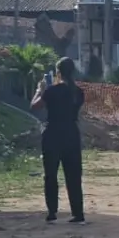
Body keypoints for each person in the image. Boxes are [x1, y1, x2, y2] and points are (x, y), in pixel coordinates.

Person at [31, 57, 86, 224]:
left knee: (51, 174)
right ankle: (78, 213)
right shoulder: (78, 92)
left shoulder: (52, 91)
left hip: (53, 133)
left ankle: (52, 212)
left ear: (58, 72)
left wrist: (39, 90)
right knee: (74, 175)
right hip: (71, 133)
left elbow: (35, 106)